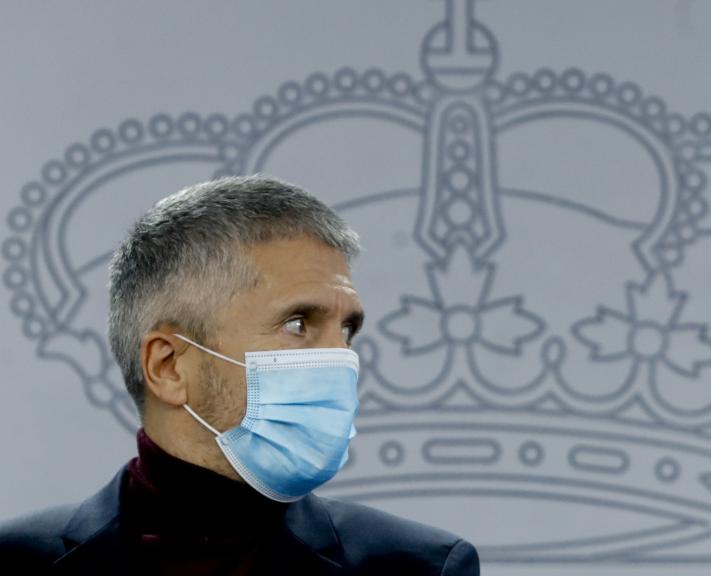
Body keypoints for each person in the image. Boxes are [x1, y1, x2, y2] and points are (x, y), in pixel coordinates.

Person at [0, 176, 480, 575]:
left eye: (347, 330)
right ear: (168, 366)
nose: (342, 360)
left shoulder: (419, 566)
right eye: (298, 324)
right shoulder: (16, 560)